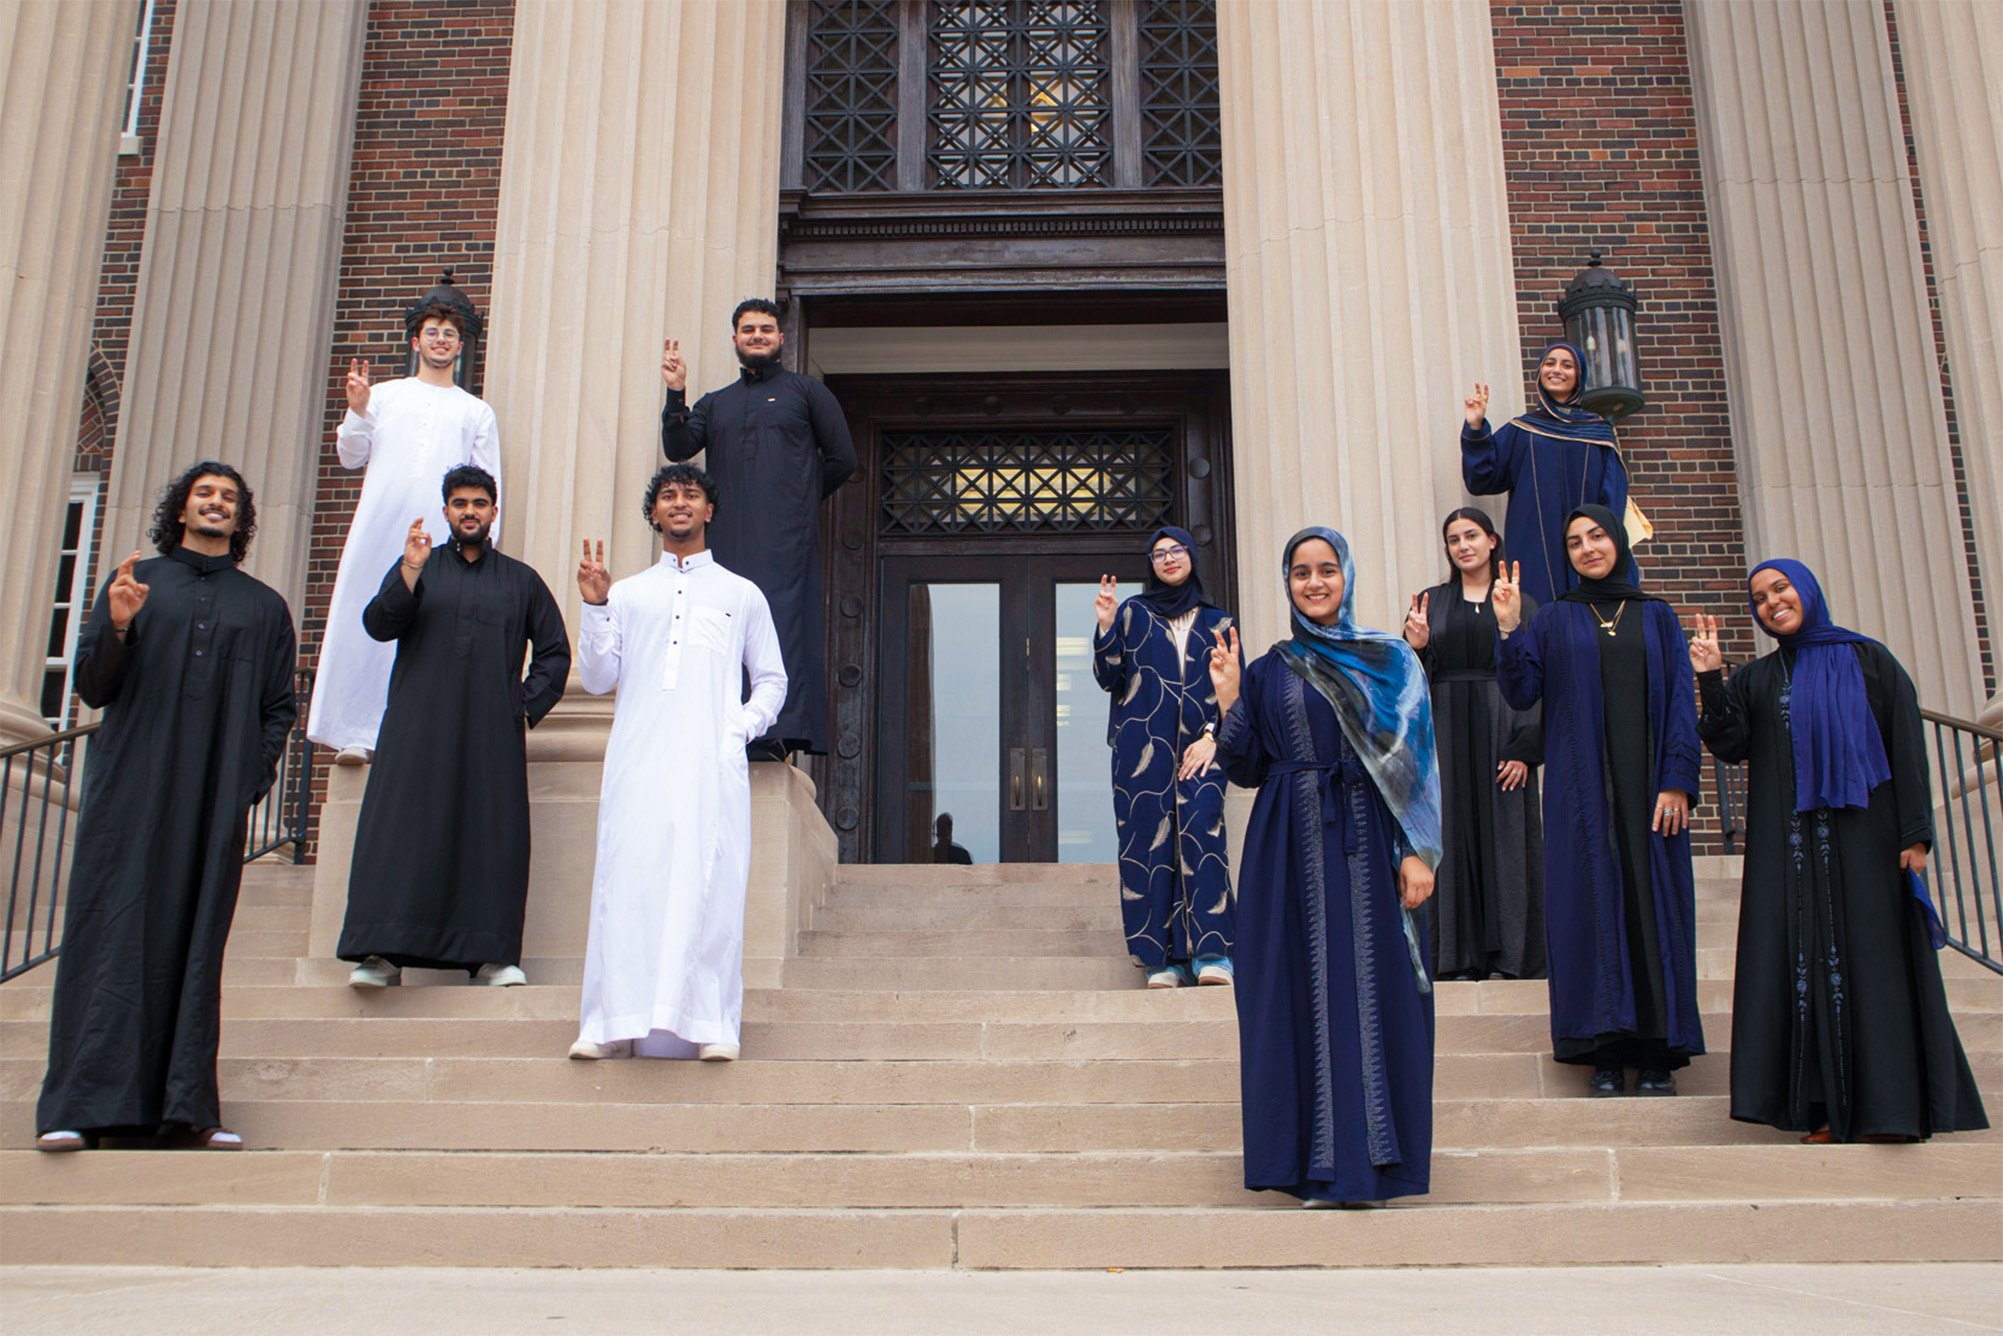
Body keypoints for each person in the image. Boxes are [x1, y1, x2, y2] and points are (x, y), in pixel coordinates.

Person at [36, 463, 296, 1152]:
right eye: (204, 494)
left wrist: (247, 780)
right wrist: (118, 626)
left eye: (229, 498)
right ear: (180, 508)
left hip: (213, 801)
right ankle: (79, 1106)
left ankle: (187, 1109)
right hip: (130, 793)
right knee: (109, 934)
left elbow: (278, 709)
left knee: (195, 940)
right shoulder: (134, 585)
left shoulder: (264, 607)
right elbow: (93, 688)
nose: (216, 504)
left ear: (242, 519)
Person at [1692, 561, 1988, 1142]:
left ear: (1807, 590)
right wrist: (1710, 679)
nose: (1771, 602)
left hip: (1865, 847)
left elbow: (1905, 742)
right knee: (1804, 972)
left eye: (1780, 589)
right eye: (1759, 598)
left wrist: (1915, 834)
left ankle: (1891, 1110)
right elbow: (1731, 745)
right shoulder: (1758, 678)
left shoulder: (1868, 660)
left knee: (1873, 969)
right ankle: (1825, 1110)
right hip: (1792, 854)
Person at [1210, 527, 1439, 1208]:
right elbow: (1245, 767)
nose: (1313, 583)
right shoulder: (1269, 668)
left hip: (1368, 842)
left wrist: (1417, 852)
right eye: (1300, 573)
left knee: (1371, 994)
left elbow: (1415, 763)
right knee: (1290, 995)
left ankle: (1368, 1168)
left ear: (1346, 576)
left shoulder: (1389, 660)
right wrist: (1227, 696)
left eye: (1326, 570)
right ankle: (1307, 1168)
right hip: (1285, 848)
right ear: (1286, 583)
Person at [568, 464, 786, 1063]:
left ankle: (712, 1023)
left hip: (709, 766)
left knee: (709, 882)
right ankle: (609, 1023)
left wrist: (735, 728)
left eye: (691, 494)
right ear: (655, 514)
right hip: (638, 759)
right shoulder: (629, 592)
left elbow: (771, 680)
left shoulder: (741, 594)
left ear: (709, 510)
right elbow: (597, 678)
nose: (680, 502)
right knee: (627, 880)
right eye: (668, 496)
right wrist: (594, 607)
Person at [1494, 505, 1703, 1096]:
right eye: (1575, 542)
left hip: (1651, 793)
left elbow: (1683, 705)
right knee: (1587, 909)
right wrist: (1509, 627)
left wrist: (1677, 779)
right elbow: (1521, 691)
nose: (1587, 548)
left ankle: (1657, 1051)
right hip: (1577, 794)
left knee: (1651, 908)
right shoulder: (1555, 618)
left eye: (1597, 536)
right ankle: (1603, 1051)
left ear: (1617, 541)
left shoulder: (1657, 616)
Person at [338, 465, 571, 990]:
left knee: (490, 836)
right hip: (416, 728)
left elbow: (555, 653)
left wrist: (521, 706)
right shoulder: (417, 566)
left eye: (480, 503)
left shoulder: (521, 580)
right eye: (460, 503)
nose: (470, 511)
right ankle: (382, 955)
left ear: (493, 512)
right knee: (400, 832)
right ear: (446, 511)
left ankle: (491, 958)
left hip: (492, 732)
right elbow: (378, 625)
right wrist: (410, 572)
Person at [309, 272, 501, 764]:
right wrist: (355, 410)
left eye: (451, 334)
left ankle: (415, 729)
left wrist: (484, 545)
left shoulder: (476, 411)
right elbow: (350, 456)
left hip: (442, 536)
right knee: (369, 615)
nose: (441, 340)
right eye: (433, 332)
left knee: (431, 626)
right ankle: (357, 730)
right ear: (417, 341)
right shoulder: (385, 395)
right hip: (380, 528)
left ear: (461, 347)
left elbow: (486, 481)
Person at [660, 298, 856, 759]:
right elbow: (678, 448)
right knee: (726, 625)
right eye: (748, 330)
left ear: (781, 338)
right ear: (735, 340)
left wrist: (802, 502)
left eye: (766, 329)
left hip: (788, 537)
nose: (757, 336)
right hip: (726, 538)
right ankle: (723, 722)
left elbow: (843, 458)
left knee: (784, 623)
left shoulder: (808, 393)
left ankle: (775, 734)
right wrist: (676, 393)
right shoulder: (715, 403)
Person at [1403, 507, 1545, 981]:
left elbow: (1537, 676)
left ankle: (1511, 957)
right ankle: (1455, 958)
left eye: (1470, 536)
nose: (1462, 545)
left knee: (1506, 836)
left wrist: (1526, 746)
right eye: (1453, 539)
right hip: (1445, 728)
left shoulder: (1523, 601)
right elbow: (1408, 684)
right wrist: (1418, 647)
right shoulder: (1430, 600)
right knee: (1450, 836)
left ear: (1491, 540)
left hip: (1502, 721)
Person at [1093, 526, 1238, 987]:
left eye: (1177, 551)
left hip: (1202, 747)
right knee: (1147, 845)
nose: (1169, 559)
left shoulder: (1219, 621)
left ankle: (1212, 952)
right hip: (1142, 751)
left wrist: (1215, 736)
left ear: (1192, 557)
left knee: (1202, 832)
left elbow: (1234, 688)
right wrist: (1104, 624)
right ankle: (1162, 960)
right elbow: (1107, 676)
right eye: (1159, 554)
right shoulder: (1134, 613)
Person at [1460, 340, 1641, 608]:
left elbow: (1612, 498)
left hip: (1587, 547)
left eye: (1567, 365)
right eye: (1549, 363)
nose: (1557, 370)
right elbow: (1481, 478)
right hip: (1533, 548)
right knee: (1538, 618)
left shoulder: (1599, 434)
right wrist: (1476, 428)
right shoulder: (1522, 429)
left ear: (1579, 376)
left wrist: (1602, 542)